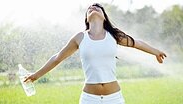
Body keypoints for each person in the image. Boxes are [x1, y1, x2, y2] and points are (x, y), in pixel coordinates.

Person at [24, 3, 167, 104]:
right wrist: (36, 75)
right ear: (86, 18)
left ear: (104, 17)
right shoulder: (80, 37)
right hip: (89, 99)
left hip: (114, 98)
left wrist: (156, 52)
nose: (93, 8)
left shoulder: (114, 35)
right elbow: (57, 58)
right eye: (90, 9)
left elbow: (137, 43)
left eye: (98, 7)